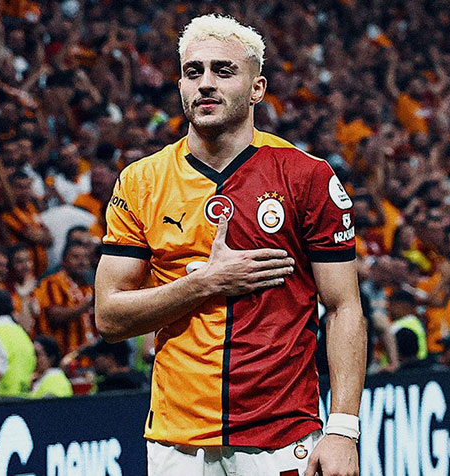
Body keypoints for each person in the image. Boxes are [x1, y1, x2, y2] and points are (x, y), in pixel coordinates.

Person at [95, 15, 364, 476]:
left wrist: (342, 429)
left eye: (223, 71)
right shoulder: (141, 182)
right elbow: (109, 317)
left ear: (257, 88)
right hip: (176, 442)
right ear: (181, 85)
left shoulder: (306, 175)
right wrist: (206, 284)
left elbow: (343, 307)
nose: (206, 83)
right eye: (193, 72)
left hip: (280, 436)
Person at [81, 338, 147, 393]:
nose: (93, 363)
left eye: (94, 358)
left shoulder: (109, 387)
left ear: (110, 358)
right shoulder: (144, 380)